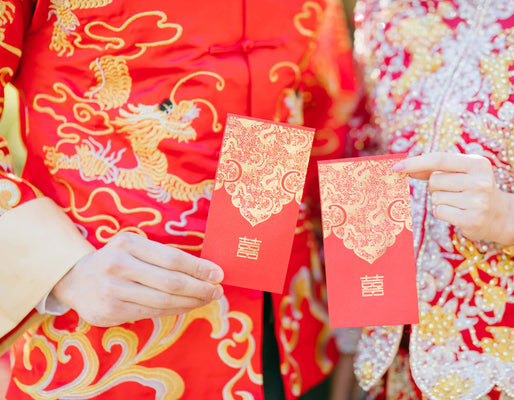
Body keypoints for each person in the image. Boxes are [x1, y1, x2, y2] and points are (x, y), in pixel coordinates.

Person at [0, 0, 358, 398]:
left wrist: (364, 314)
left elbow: (338, 113)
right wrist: (59, 267)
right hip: (105, 340)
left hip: (294, 335)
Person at [350, 0, 514, 399]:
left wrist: (510, 217)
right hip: (392, 374)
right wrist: (354, 342)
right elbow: (365, 150)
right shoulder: (386, 8)